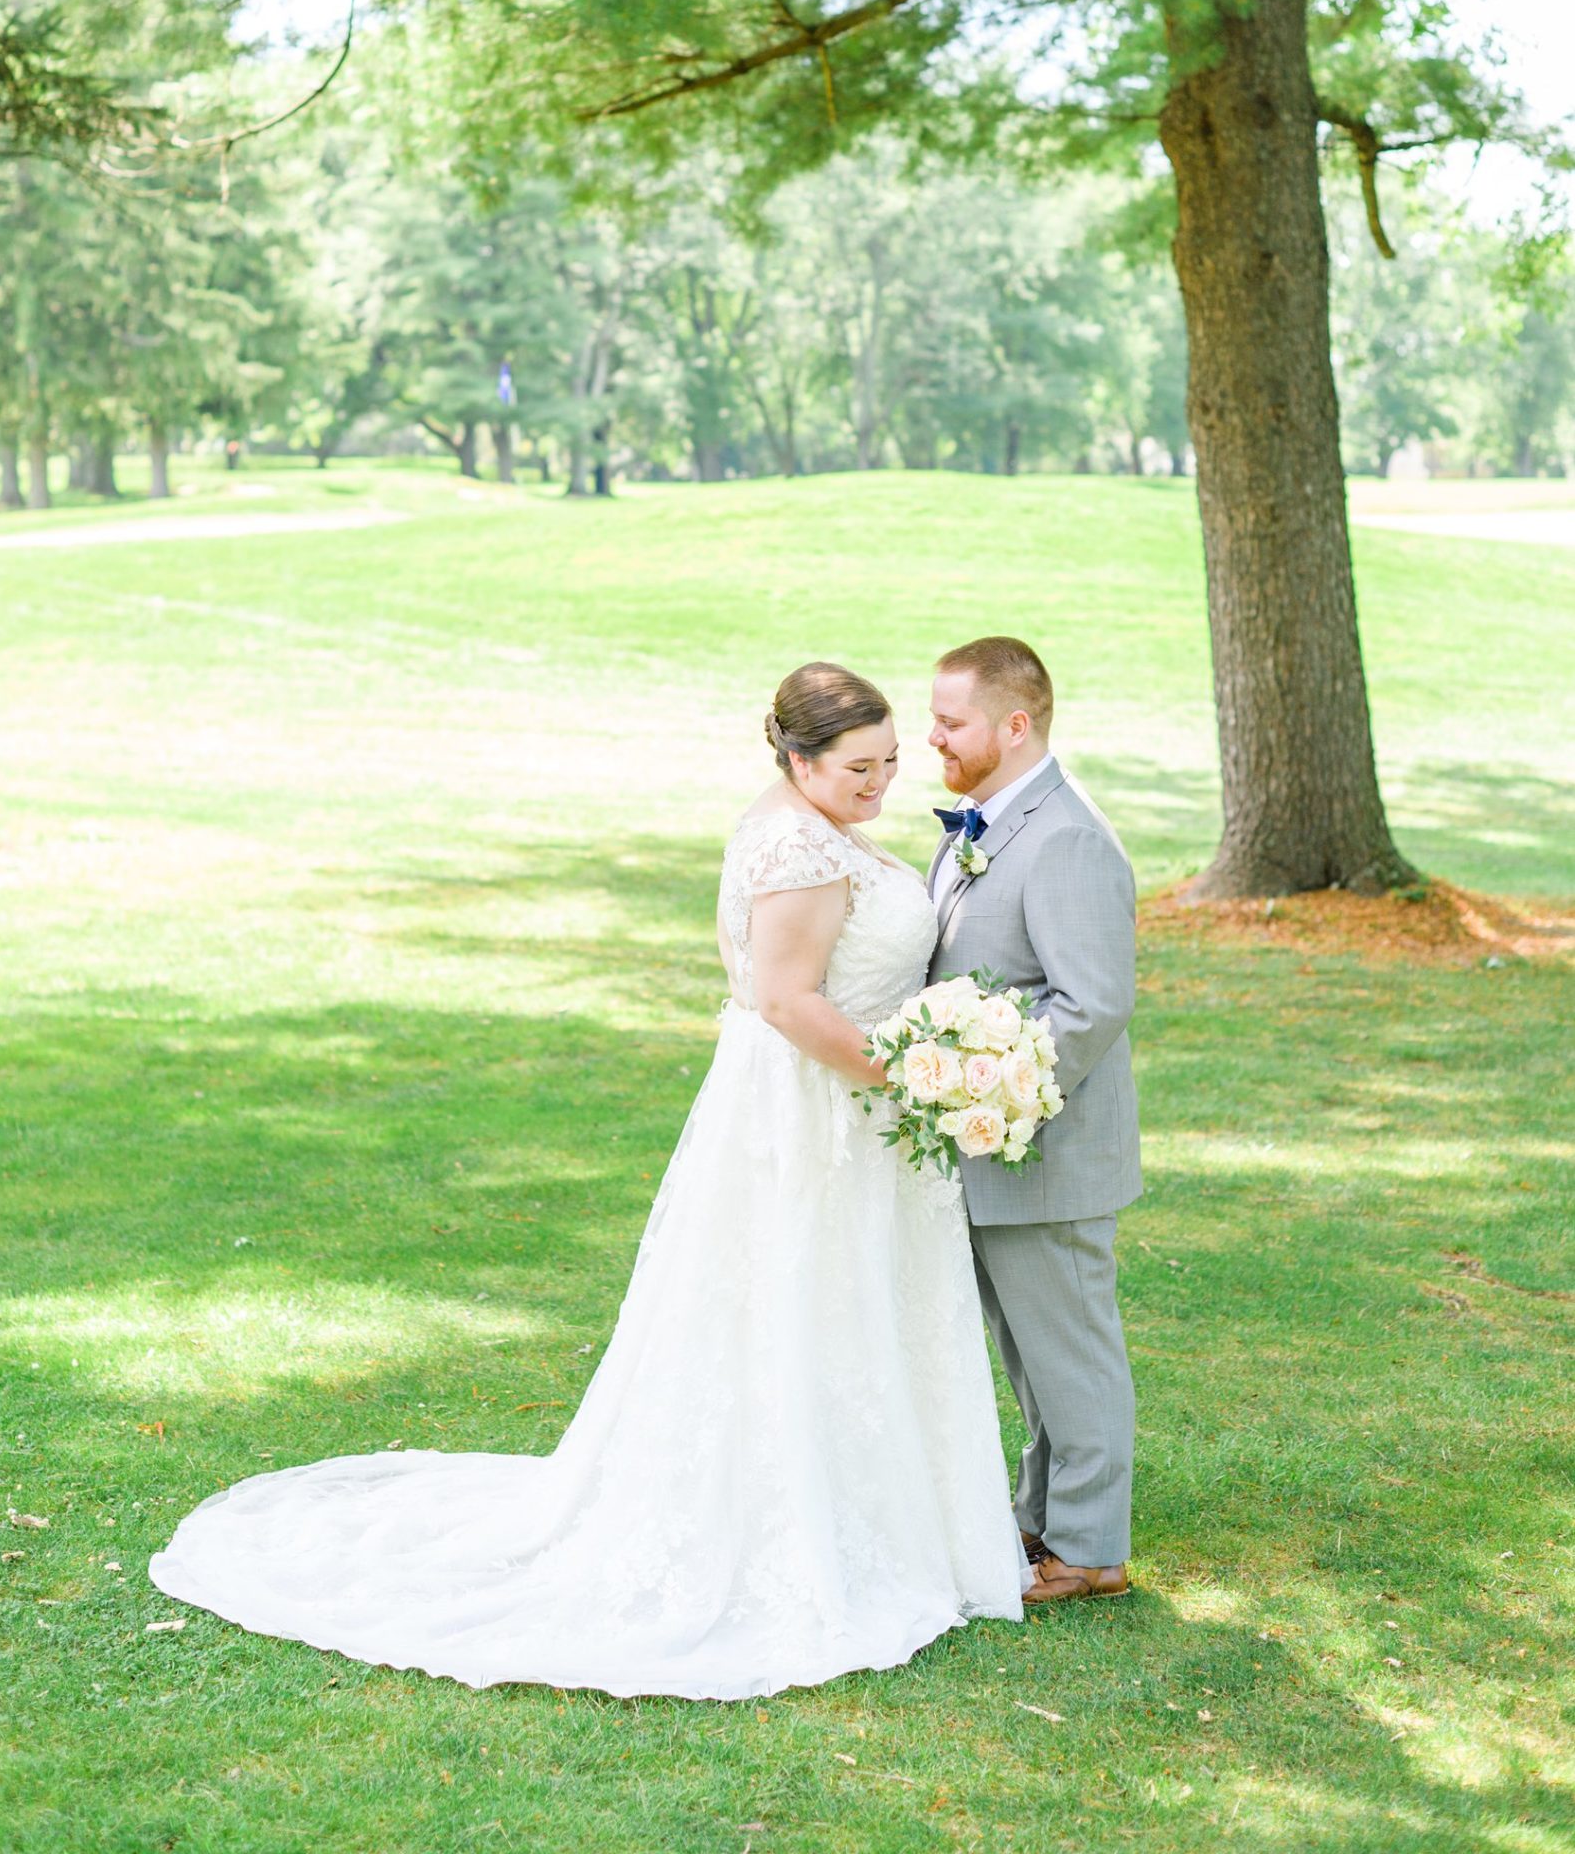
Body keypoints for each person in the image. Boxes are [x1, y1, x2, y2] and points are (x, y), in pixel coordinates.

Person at [150, 662, 1029, 1698]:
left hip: (836, 1105)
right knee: (803, 1305)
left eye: (889, 763)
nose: (879, 784)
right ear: (796, 758)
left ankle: (876, 1513)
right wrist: (909, 1074)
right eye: (857, 767)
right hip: (819, 1109)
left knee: (833, 1309)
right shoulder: (795, 841)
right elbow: (790, 1000)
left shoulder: (812, 821)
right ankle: (801, 1527)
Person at [927, 635, 1140, 1605]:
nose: (932, 736)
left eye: (951, 719)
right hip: (993, 1153)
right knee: (1032, 1355)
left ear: (1015, 725)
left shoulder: (1067, 838)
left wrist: (984, 1092)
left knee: (1072, 1351)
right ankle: (1044, 1517)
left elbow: (1089, 1006)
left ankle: (1092, 1548)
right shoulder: (987, 823)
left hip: (1040, 1149)